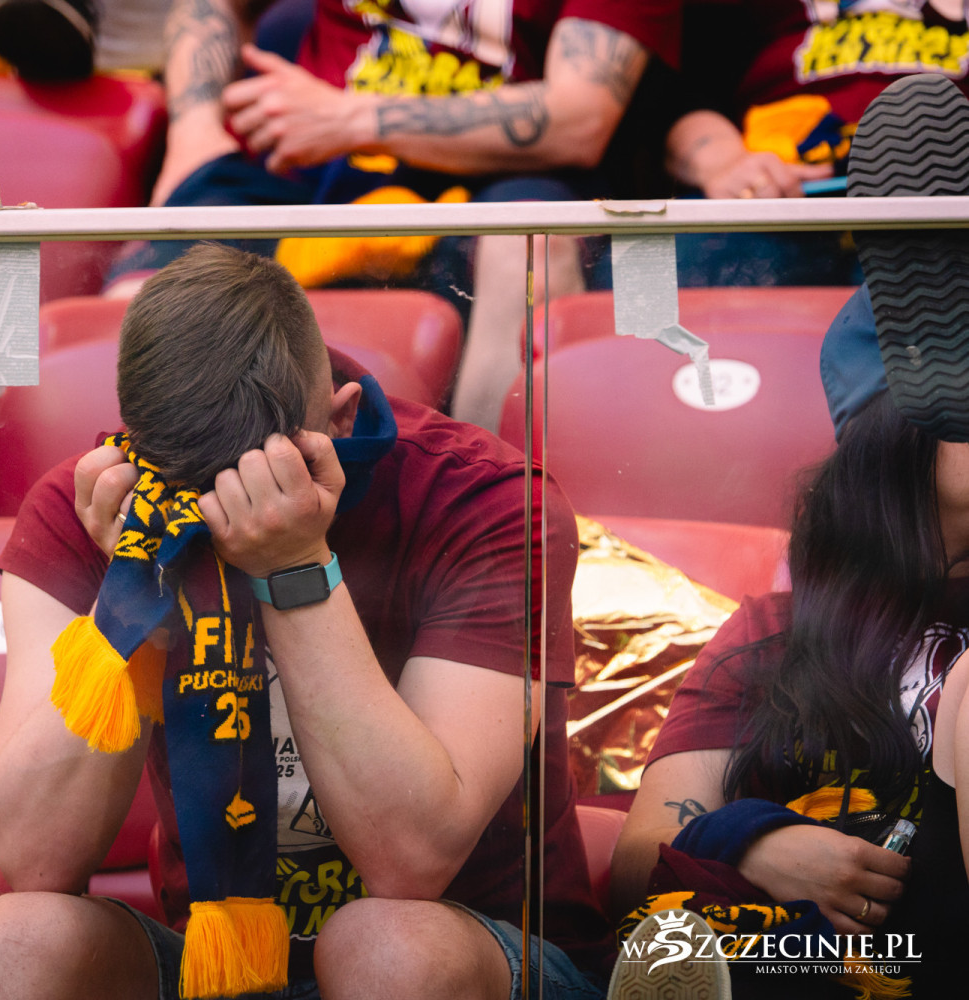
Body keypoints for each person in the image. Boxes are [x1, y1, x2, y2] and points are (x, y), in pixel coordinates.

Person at [0, 243, 609, 1000]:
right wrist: (135, 590)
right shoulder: (97, 504)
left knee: (385, 950)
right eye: (196, 497)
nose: (229, 518)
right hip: (219, 960)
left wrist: (294, 567)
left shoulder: (482, 498)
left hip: (474, 946)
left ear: (341, 418)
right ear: (136, 440)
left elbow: (411, 862)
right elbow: (33, 858)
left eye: (262, 477)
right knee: (12, 947)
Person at [606, 76, 969, 998]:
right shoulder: (778, 633)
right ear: (894, 447)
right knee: (705, 955)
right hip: (814, 964)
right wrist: (755, 842)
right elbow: (633, 862)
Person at [100, 0, 680, 430]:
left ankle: (493, 507)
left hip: (494, 179)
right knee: (137, 296)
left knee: (529, 247)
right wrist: (194, 129)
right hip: (300, 168)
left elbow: (580, 119)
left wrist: (352, 119)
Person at [663, 0, 969, 288]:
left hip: (946, 192)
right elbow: (672, 98)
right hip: (782, 200)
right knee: (678, 259)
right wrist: (726, 163)